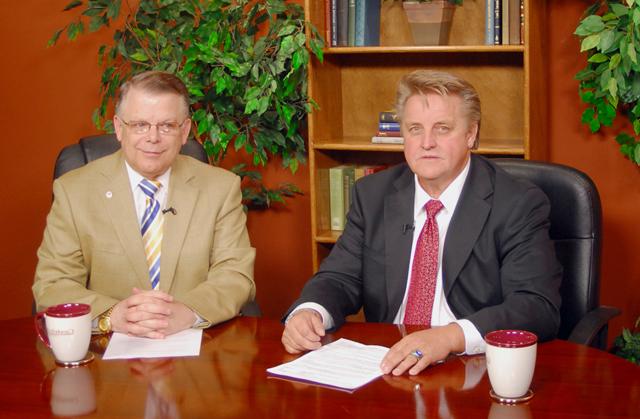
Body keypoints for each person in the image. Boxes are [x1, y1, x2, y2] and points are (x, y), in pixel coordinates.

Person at [281, 70, 561, 376]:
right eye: (415, 129)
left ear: (471, 134)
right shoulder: (373, 194)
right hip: (390, 365)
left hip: (470, 367)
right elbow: (339, 278)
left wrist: (450, 337)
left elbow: (536, 305)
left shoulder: (516, 202)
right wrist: (310, 311)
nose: (427, 143)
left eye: (442, 128)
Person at [33, 71, 255, 339]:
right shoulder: (74, 191)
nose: (153, 137)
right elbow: (53, 284)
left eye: (167, 126)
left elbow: (235, 275)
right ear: (118, 127)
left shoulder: (221, 187)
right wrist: (113, 315)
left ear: (184, 131)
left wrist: (186, 312)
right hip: (105, 353)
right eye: (140, 124)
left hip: (196, 349)